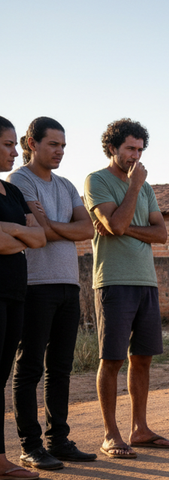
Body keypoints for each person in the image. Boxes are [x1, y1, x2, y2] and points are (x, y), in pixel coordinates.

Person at [83, 118, 169, 459]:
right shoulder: (98, 180)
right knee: (112, 359)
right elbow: (115, 223)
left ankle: (140, 429)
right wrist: (134, 186)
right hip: (113, 281)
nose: (135, 156)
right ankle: (111, 434)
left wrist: (124, 228)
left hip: (146, 281)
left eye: (140, 149)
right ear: (112, 148)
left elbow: (161, 234)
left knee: (143, 359)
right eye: (129, 149)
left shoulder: (148, 189)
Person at [8, 117, 96, 471]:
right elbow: (36, 233)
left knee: (60, 368)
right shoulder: (20, 180)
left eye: (63, 146)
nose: (59, 151)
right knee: (29, 368)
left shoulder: (66, 184)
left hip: (68, 284)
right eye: (52, 145)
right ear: (32, 142)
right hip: (34, 284)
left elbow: (87, 228)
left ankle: (58, 440)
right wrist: (62, 229)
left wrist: (52, 225)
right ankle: (30, 445)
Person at [0, 116, 46, 480]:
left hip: (16, 292)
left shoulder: (11, 192)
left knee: (0, 377)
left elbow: (40, 238)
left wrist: (9, 228)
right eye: (8, 144)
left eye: (15, 144)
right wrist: (19, 234)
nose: (15, 152)